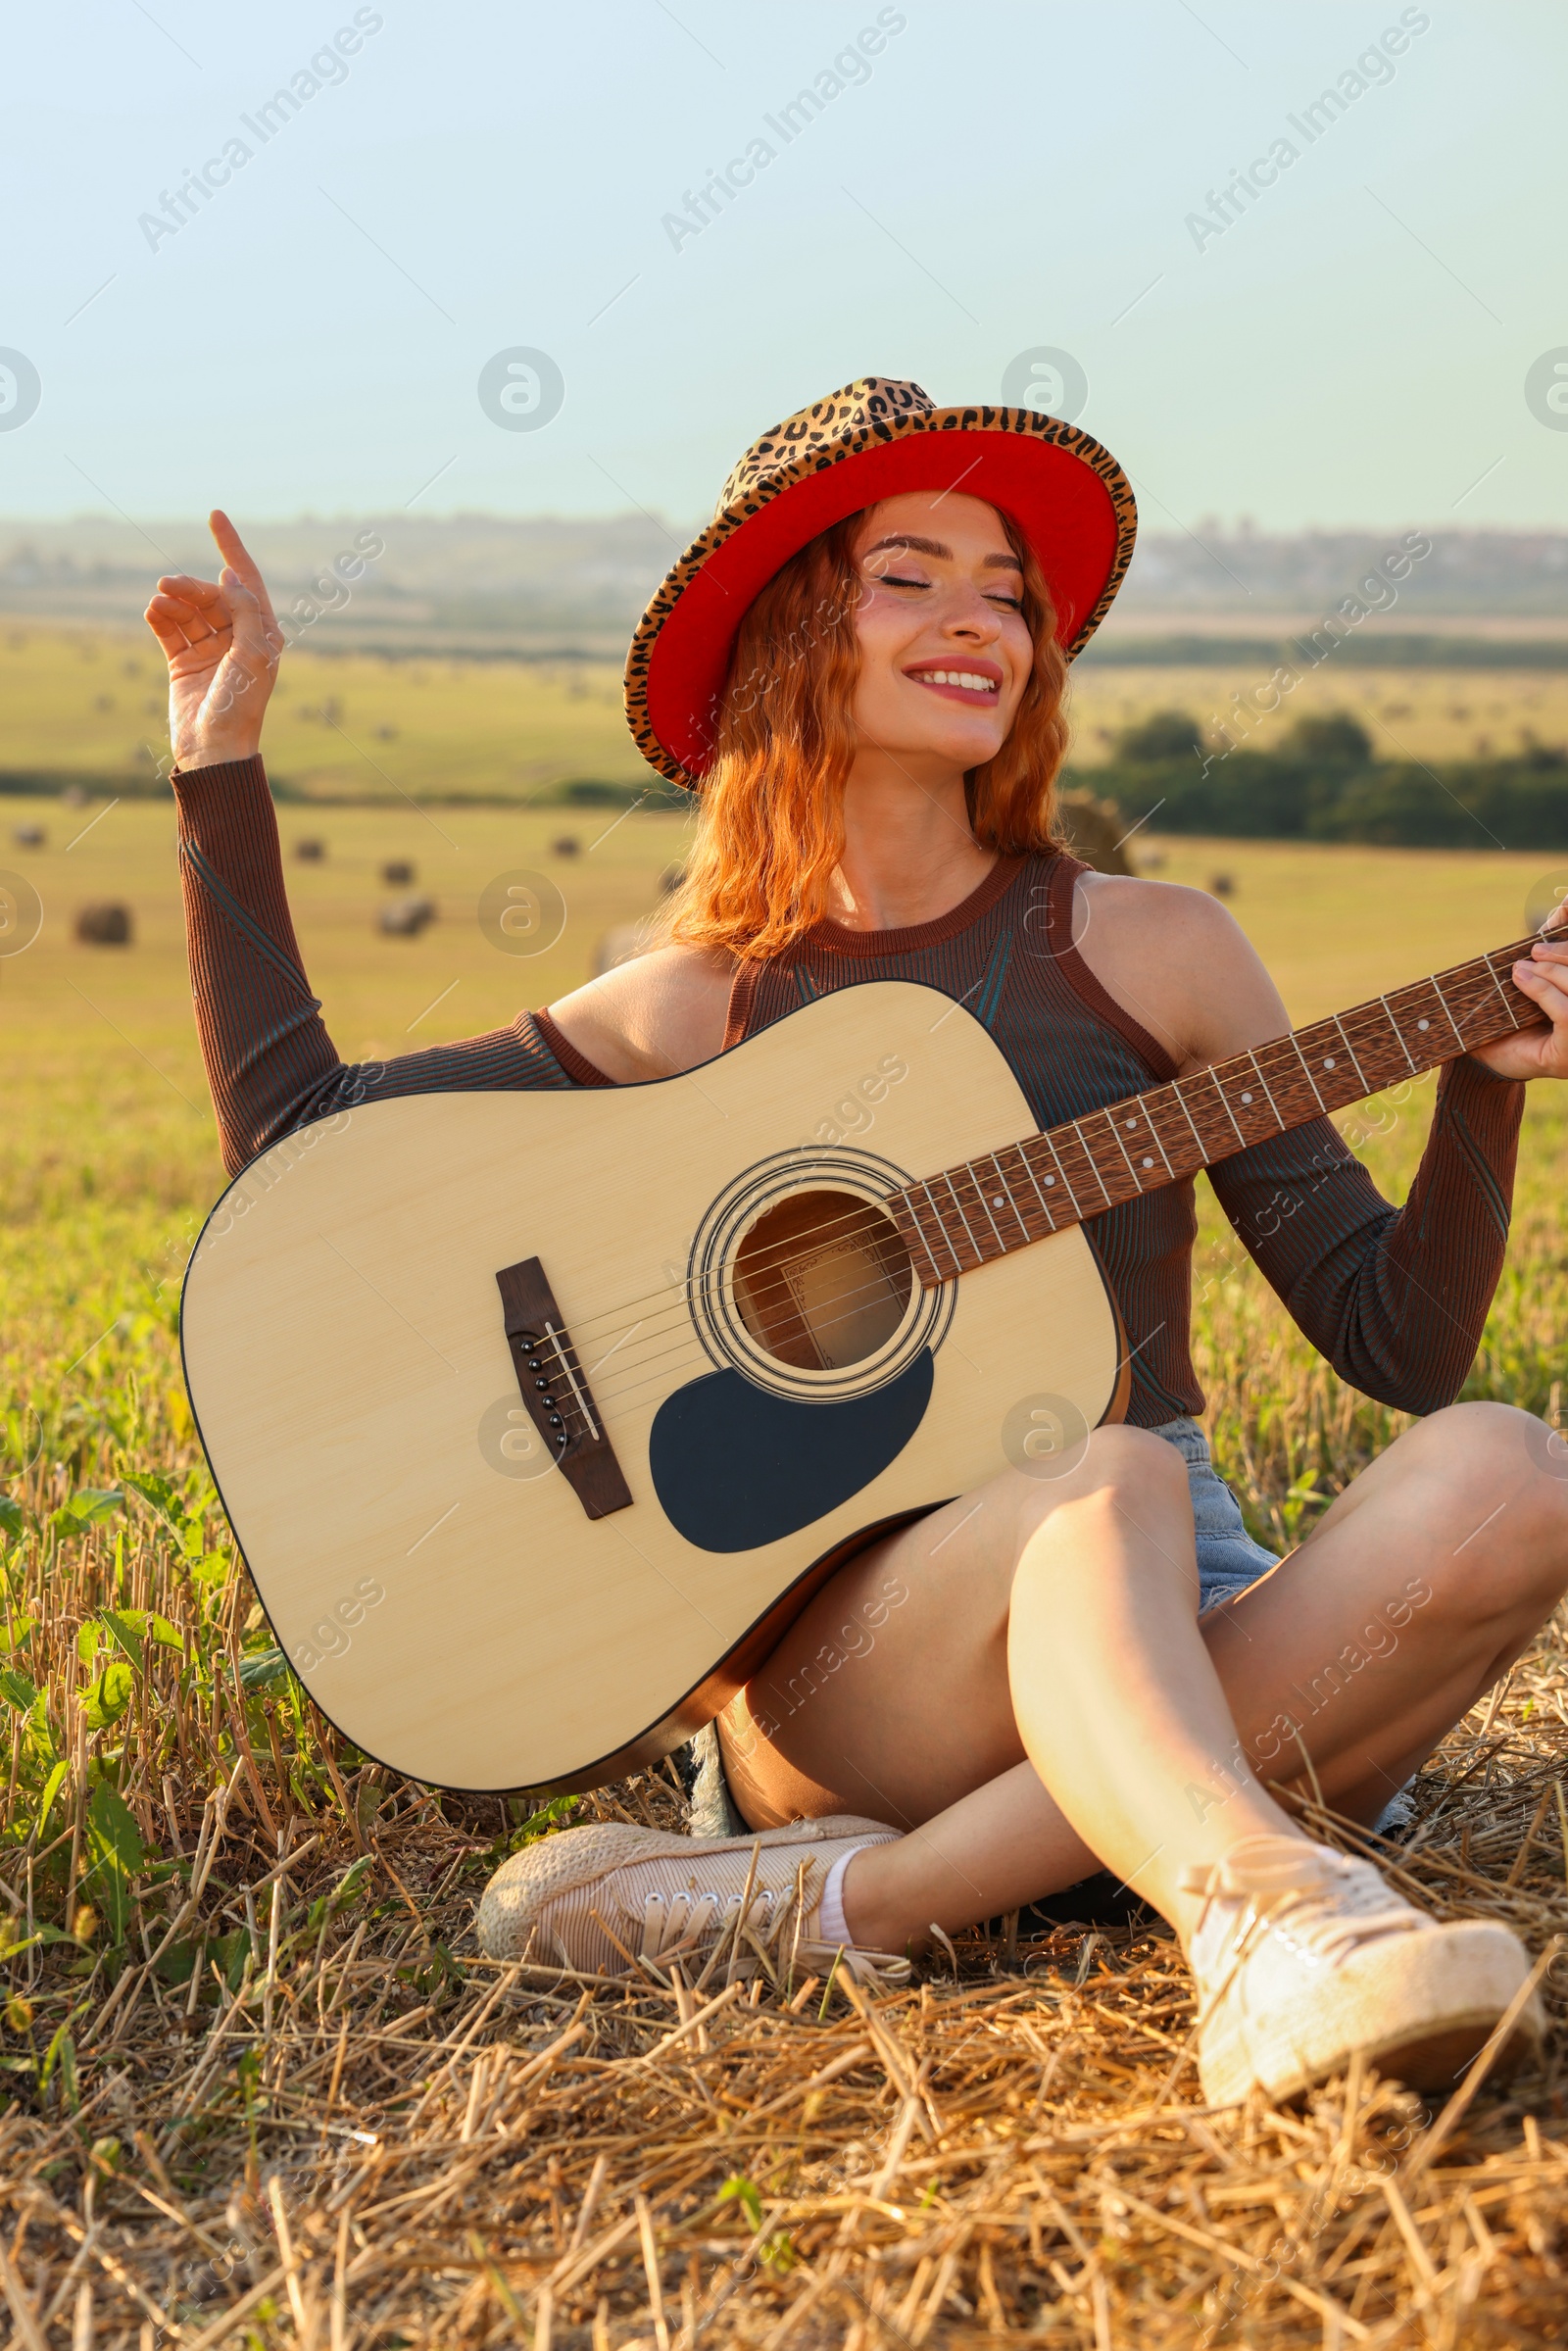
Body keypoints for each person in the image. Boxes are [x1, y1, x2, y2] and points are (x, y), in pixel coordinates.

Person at [147, 378, 1568, 2108]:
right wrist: (217, 759)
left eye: (1009, 589)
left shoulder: (1160, 947)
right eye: (912, 572)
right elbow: (305, 1151)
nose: (982, 615)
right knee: (1098, 1472)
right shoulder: (694, 1002)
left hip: (1181, 1594)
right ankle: (1266, 1916)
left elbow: (1397, 1347)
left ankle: (862, 1901)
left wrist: (1487, 1084)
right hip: (850, 1661)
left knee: (1510, 1470)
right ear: (795, 628)